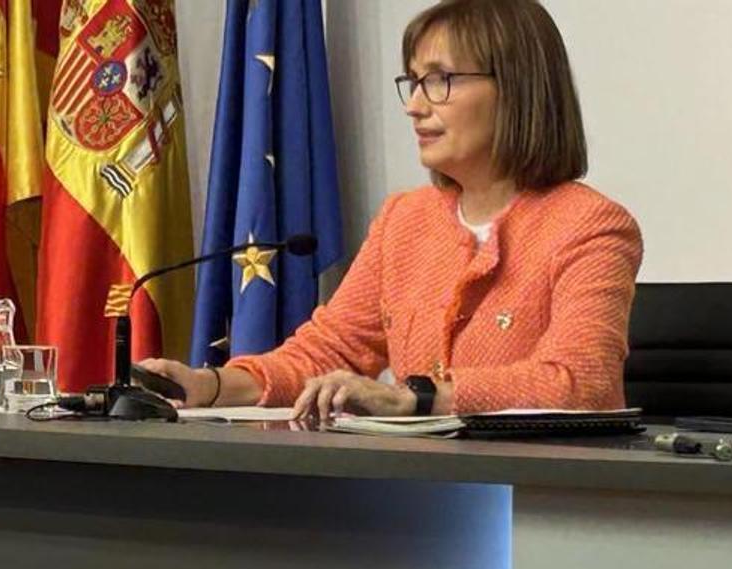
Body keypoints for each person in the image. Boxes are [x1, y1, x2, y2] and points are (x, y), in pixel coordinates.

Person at [141, 0, 643, 419]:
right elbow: (326, 352)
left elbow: (580, 383)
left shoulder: (591, 226)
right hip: (420, 496)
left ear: (516, 89)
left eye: (440, 80)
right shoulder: (406, 220)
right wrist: (206, 385)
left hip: (547, 505)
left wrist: (418, 398)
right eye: (413, 81)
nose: (415, 105)